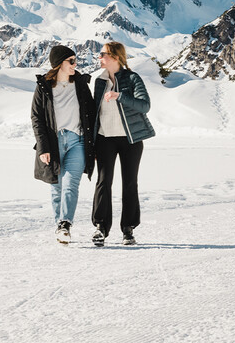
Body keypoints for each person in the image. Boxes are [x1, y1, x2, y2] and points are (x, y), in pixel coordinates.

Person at [91, 41, 155, 246]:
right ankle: (101, 228)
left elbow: (145, 106)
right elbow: (94, 114)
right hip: (104, 139)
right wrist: (90, 143)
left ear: (116, 57)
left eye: (103, 54)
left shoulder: (132, 78)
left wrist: (120, 96)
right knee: (103, 182)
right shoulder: (99, 81)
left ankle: (128, 229)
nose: (99, 57)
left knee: (129, 183)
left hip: (130, 139)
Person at [31, 45, 96, 243]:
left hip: (77, 140)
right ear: (59, 64)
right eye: (71, 61)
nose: (76, 64)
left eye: (76, 60)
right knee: (56, 186)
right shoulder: (44, 87)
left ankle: (65, 223)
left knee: (71, 184)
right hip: (54, 141)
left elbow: (92, 112)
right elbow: (36, 118)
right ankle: (59, 226)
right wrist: (43, 147)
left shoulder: (81, 84)